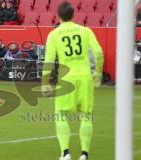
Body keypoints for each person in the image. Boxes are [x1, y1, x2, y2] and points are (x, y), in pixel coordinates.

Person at [42, 2, 104, 160]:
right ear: (73, 14)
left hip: (66, 78)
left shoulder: (54, 34)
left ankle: (65, 153)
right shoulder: (85, 31)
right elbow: (98, 53)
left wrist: (45, 82)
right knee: (86, 115)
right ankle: (84, 154)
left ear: (58, 15)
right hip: (85, 77)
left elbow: (49, 60)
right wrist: (97, 73)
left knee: (60, 114)